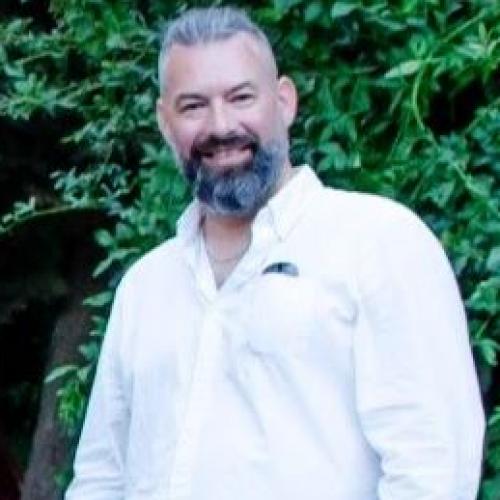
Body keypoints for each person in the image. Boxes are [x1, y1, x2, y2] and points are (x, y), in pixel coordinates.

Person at [65, 6, 485, 500]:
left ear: (284, 101)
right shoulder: (145, 286)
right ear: (164, 122)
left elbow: (432, 469)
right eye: (193, 106)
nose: (221, 125)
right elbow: (101, 478)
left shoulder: (378, 243)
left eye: (241, 97)